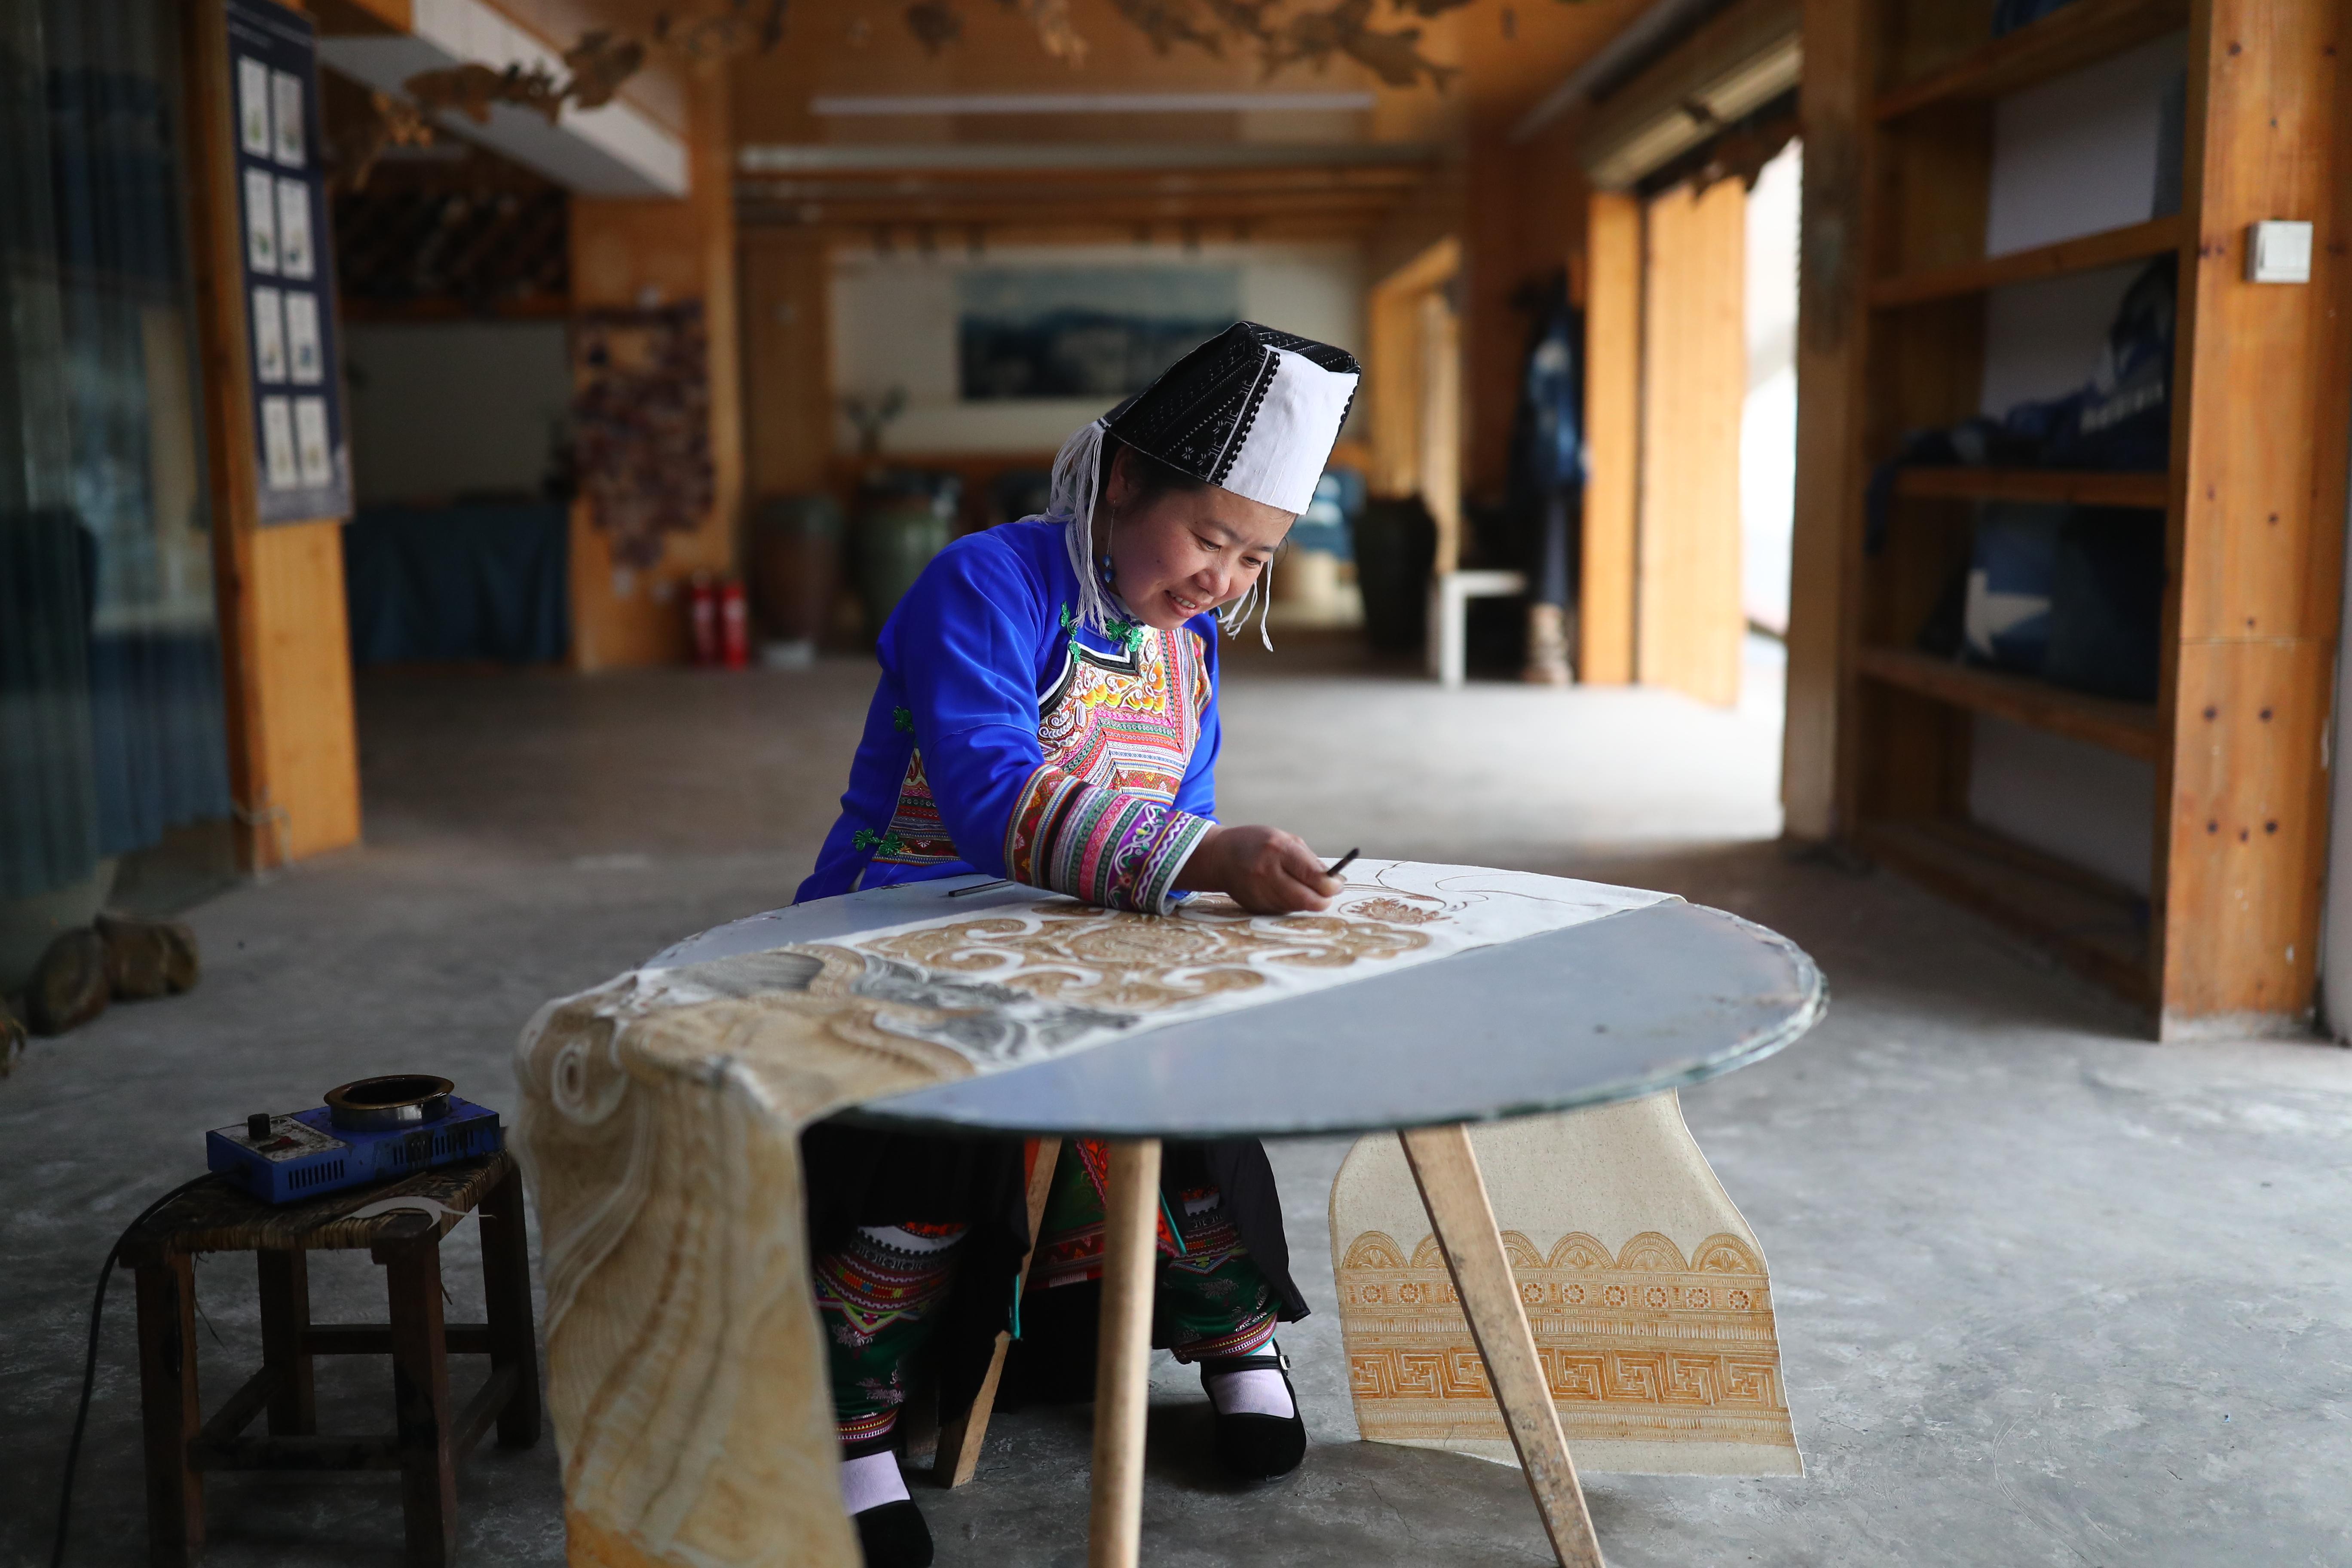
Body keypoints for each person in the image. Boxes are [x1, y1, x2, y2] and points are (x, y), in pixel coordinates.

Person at [795, 323, 1360, 1566]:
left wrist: (1218, 884)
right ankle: (849, 1422)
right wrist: (1203, 860)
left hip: (1084, 927)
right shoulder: (983, 586)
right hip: (905, 925)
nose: (1222, 581)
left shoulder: (1188, 647)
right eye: (1210, 538)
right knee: (934, 1126)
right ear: (1123, 482)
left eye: (1256, 559)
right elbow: (991, 796)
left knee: (1190, 1077)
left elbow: (1184, 812)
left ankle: (1233, 1338)